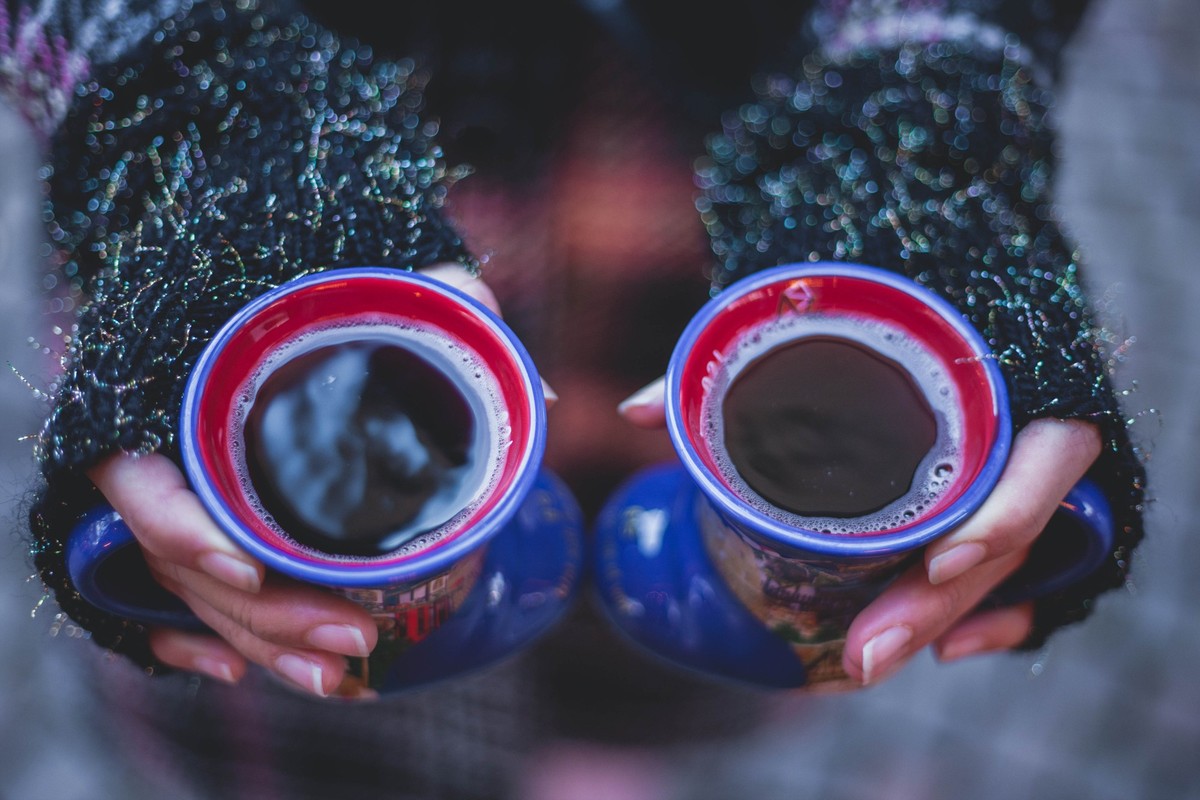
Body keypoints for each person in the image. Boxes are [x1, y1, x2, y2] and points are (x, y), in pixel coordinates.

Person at [6, 0, 1145, 795]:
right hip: (259, 297)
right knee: (303, 712)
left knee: (676, 675)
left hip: (698, 240)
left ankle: (623, 750)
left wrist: (919, 137)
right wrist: (189, 114)